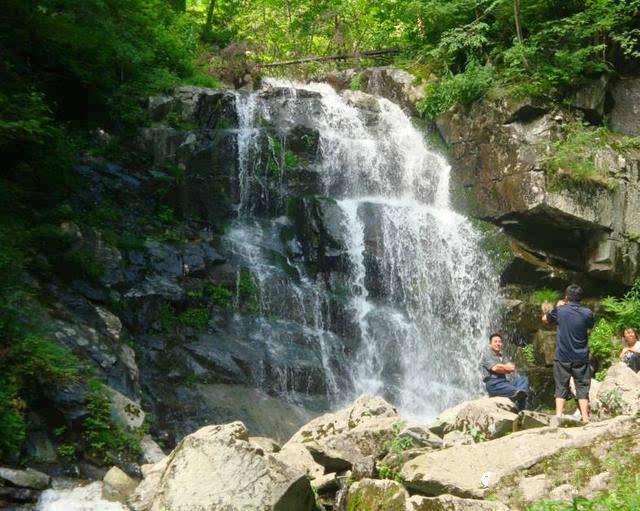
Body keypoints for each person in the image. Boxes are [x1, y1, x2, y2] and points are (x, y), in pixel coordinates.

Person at [542, 283, 594, 422]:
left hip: (563, 356)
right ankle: (585, 417)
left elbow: (545, 319)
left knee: (561, 385)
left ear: (566, 297)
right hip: (581, 356)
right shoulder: (587, 312)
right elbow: (590, 325)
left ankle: (559, 415)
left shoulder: (560, 310)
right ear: (580, 298)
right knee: (582, 386)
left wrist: (557, 307)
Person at [481, 332, 529, 412]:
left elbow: (512, 368)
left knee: (523, 380)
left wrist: (501, 366)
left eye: (500, 342)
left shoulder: (503, 356)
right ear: (490, 344)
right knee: (519, 392)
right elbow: (495, 368)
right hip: (494, 384)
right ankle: (518, 408)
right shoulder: (486, 355)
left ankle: (519, 398)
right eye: (495, 342)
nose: (498, 344)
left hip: (505, 382)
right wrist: (505, 367)